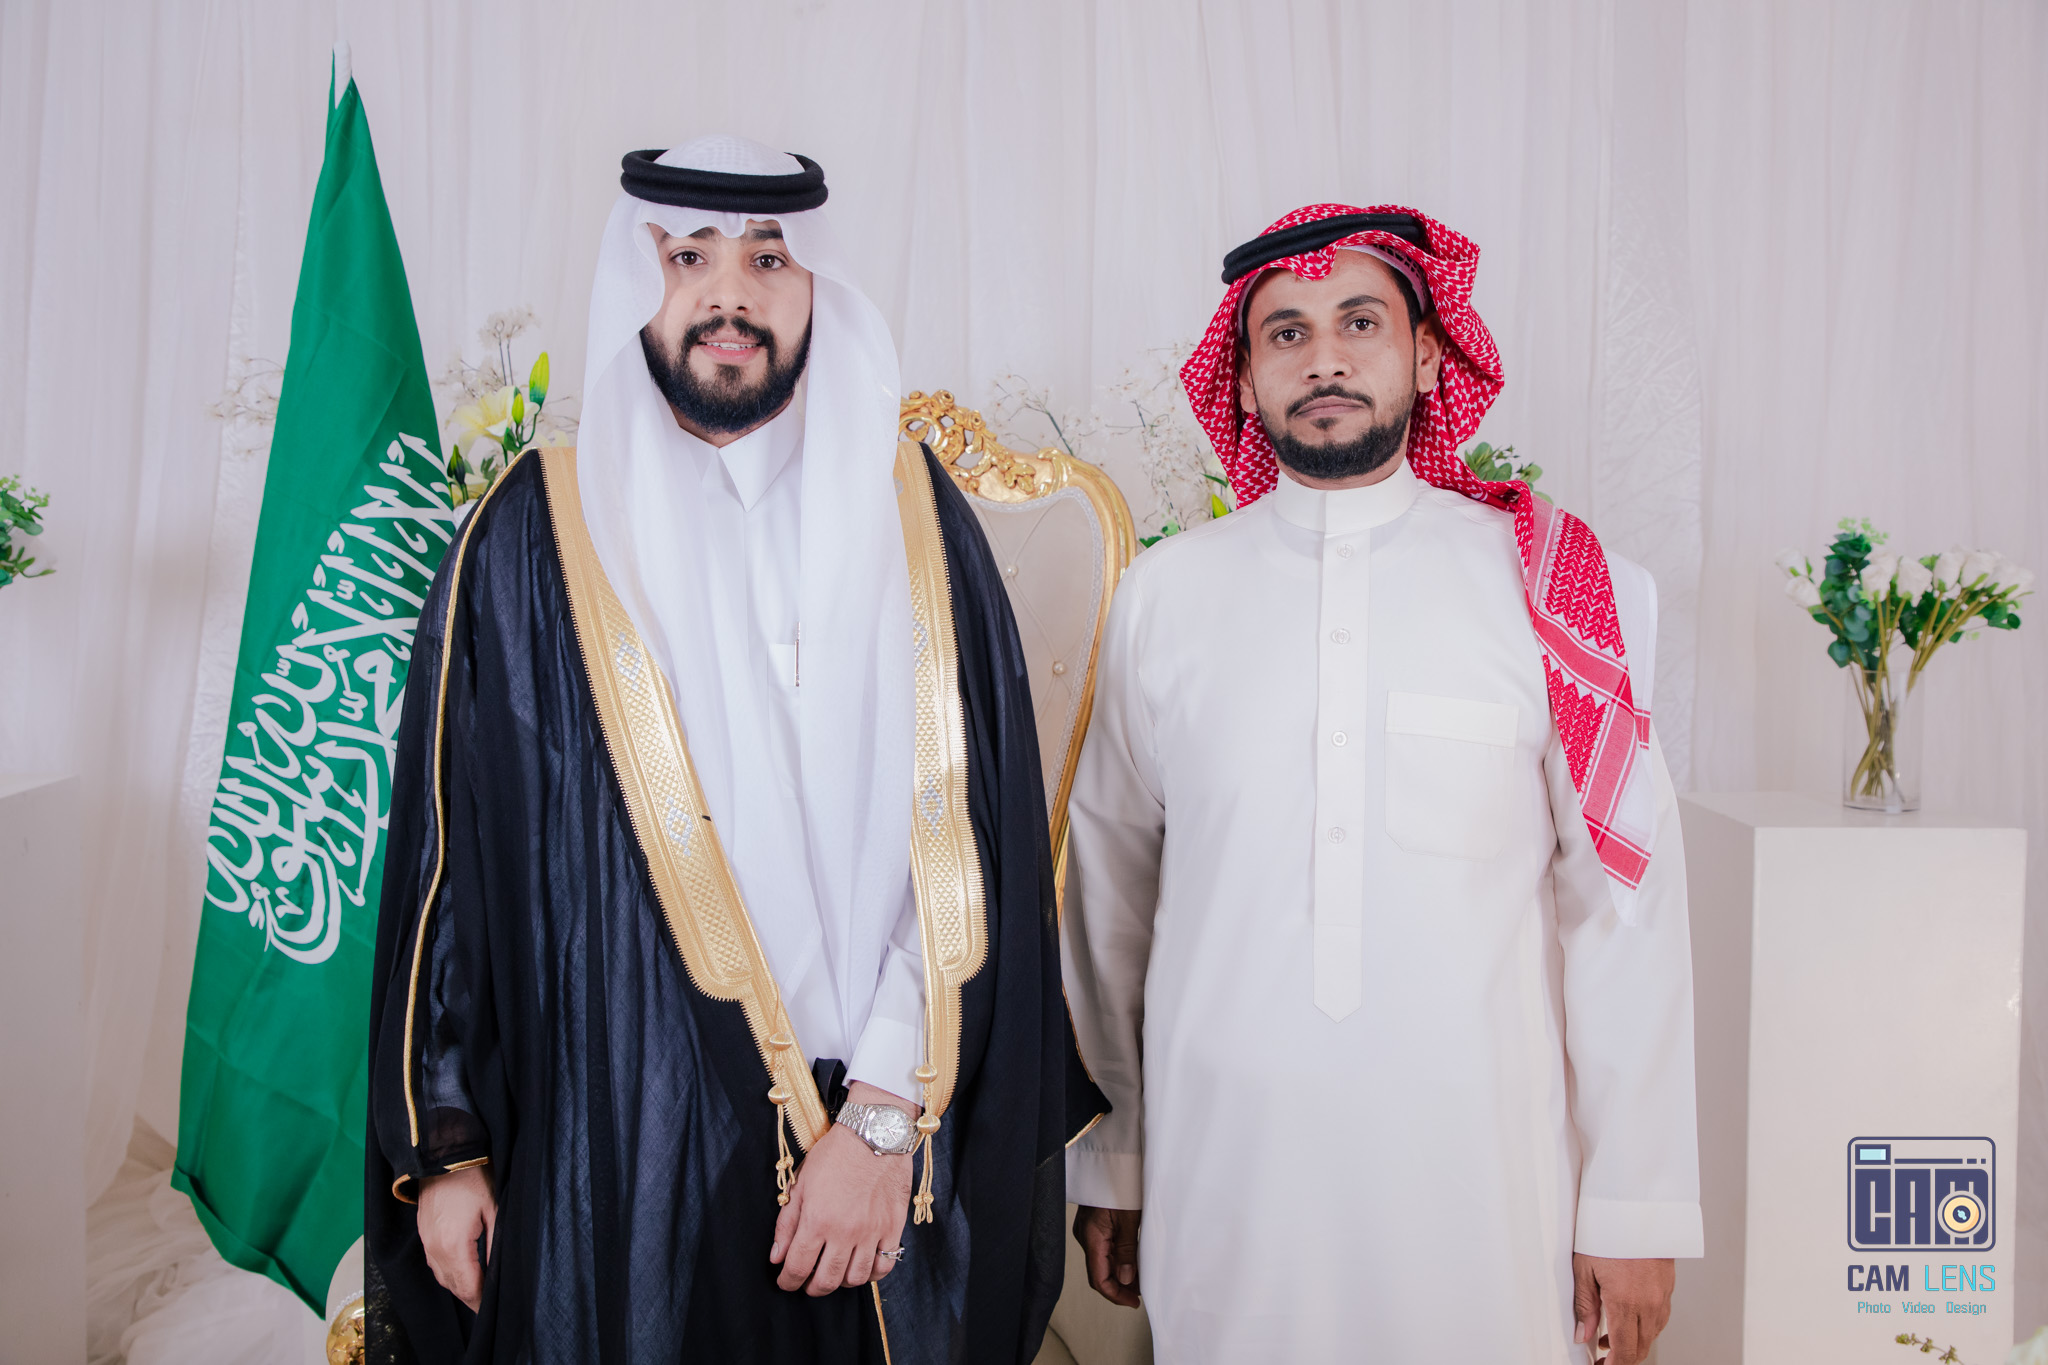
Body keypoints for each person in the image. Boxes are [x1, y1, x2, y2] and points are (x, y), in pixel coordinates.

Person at [365, 135, 1103, 1365]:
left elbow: (976, 843)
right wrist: (448, 1154)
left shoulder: (915, 515)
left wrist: (881, 1122)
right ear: (635, 282)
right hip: (615, 1141)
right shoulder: (534, 531)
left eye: (768, 258)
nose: (729, 295)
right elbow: (452, 861)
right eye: (687, 258)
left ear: (817, 286)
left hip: (883, 1158)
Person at [1060, 204, 1701, 1364]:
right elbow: (1108, 901)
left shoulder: (1550, 588)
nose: (1324, 358)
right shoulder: (1167, 595)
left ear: (1427, 354)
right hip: (1229, 1175)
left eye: (1359, 322)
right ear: (1241, 379)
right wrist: (1114, 1158)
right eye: (1285, 333)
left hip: (1484, 1184)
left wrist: (1633, 1205)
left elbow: (1621, 910)